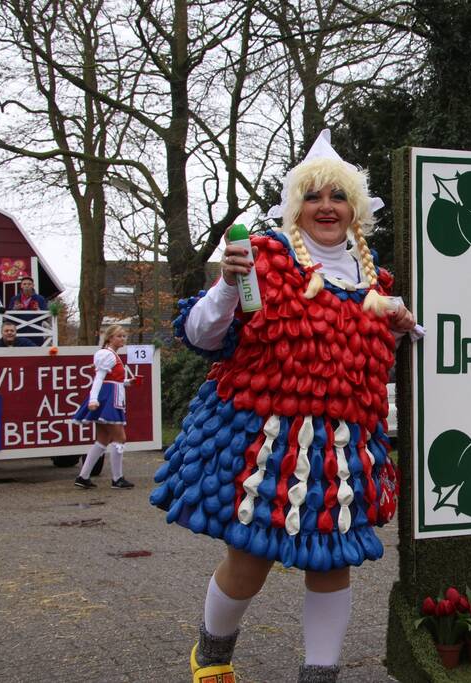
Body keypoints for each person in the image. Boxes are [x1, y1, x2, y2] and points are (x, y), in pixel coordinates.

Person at [149, 130, 418, 683]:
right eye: (313, 196)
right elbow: (201, 336)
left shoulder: (377, 284)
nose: (326, 206)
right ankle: (212, 656)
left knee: (333, 564)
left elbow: (363, 367)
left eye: (338, 196)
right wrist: (227, 285)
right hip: (264, 440)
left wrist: (399, 330)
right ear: (296, 207)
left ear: (355, 209)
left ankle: (319, 676)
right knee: (249, 561)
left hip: (341, 448)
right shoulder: (262, 258)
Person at [71, 324, 136, 490]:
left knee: (103, 439)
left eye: (124, 336)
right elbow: (99, 378)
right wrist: (93, 399)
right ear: (110, 338)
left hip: (110, 396)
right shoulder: (108, 354)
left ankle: (83, 476)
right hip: (108, 398)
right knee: (120, 438)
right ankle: (117, 478)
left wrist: (128, 382)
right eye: (119, 336)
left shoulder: (111, 354)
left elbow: (111, 379)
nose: (122, 339)